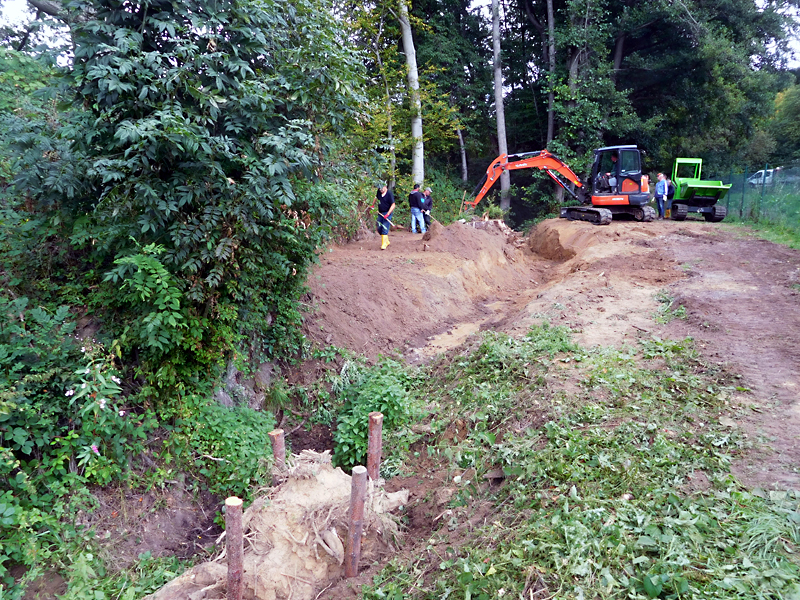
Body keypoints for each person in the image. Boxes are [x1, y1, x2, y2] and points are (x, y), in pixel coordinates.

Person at [375, 183, 395, 250]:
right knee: (379, 227)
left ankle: (384, 244)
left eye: (382, 188)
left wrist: (388, 214)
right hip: (380, 212)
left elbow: (393, 205)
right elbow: (376, 198)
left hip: (387, 212)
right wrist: (372, 205)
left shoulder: (389, 194)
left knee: (385, 227)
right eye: (379, 188)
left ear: (385, 187)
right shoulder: (378, 192)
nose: (380, 190)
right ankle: (386, 240)